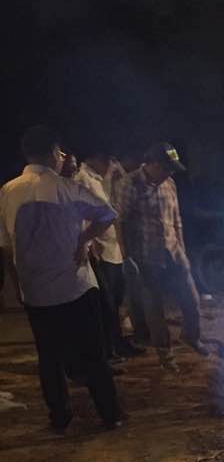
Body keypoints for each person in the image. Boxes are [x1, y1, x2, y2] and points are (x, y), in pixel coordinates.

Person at [0, 125, 123, 431]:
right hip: (75, 285)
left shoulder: (8, 191)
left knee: (49, 358)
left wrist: (18, 284)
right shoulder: (66, 188)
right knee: (93, 354)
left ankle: (59, 417)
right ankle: (110, 414)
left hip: (35, 291)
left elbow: (6, 245)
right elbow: (108, 214)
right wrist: (83, 239)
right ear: (54, 153)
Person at [115, 142, 206, 370]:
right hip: (146, 254)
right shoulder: (130, 184)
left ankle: (192, 336)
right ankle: (165, 353)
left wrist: (181, 248)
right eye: (166, 168)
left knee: (191, 296)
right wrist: (127, 257)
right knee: (154, 305)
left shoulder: (169, 183)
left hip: (173, 249)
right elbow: (120, 221)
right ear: (153, 164)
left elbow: (176, 219)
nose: (170, 173)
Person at [76, 149, 143, 360]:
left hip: (114, 247)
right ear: (96, 158)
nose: (111, 165)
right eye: (108, 161)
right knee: (107, 303)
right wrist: (89, 243)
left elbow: (112, 205)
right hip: (101, 249)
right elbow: (88, 215)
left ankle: (118, 343)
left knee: (116, 299)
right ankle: (109, 347)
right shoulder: (83, 179)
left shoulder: (101, 178)